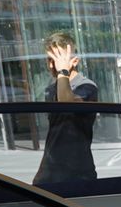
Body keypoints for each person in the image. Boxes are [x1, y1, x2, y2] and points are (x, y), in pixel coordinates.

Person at [34, 31, 99, 189]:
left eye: (57, 60)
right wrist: (43, 170)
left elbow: (67, 105)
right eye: (50, 60)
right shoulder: (51, 89)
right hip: (51, 171)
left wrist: (63, 71)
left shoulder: (86, 86)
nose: (52, 66)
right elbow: (55, 133)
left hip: (78, 172)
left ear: (74, 61)